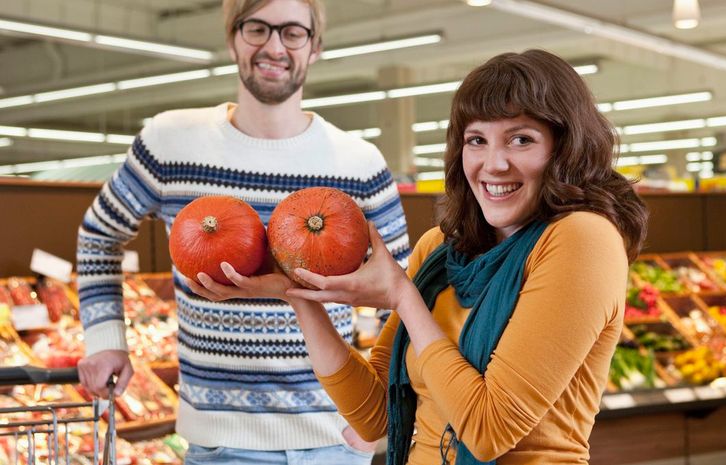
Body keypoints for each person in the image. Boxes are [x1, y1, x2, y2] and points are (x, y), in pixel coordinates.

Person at [195, 48, 649, 464]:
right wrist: (299, 297)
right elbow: (375, 415)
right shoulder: (441, 250)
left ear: (564, 148)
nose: (493, 163)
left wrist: (402, 297)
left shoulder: (583, 238)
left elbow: (489, 430)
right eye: (477, 140)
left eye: (521, 140)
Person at [75, 0, 411, 463]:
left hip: (336, 439)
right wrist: (107, 341)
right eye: (257, 28)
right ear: (233, 36)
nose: (274, 46)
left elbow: (404, 291)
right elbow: (99, 236)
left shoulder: (359, 163)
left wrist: (383, 411)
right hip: (220, 444)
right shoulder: (170, 143)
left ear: (315, 47)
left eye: (293, 32)